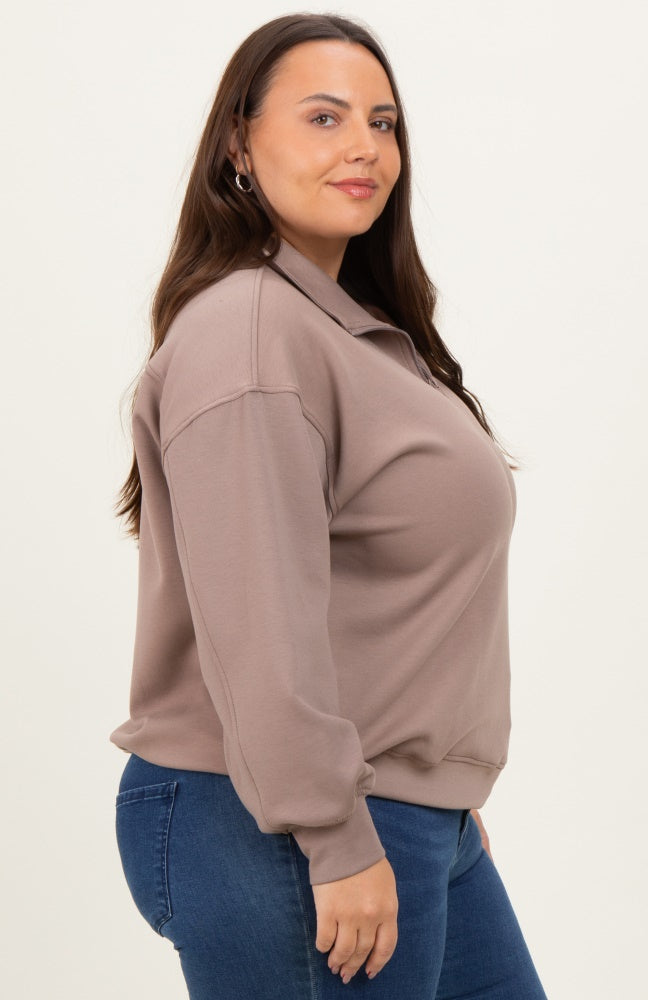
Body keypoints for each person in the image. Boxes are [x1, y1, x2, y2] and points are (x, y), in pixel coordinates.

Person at [109, 12, 549, 1000]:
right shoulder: (251, 332)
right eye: (323, 117)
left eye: (382, 122)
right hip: (282, 823)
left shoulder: (355, 332)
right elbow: (258, 622)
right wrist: (336, 829)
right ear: (238, 143)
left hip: (399, 810)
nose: (364, 146)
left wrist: (429, 784)